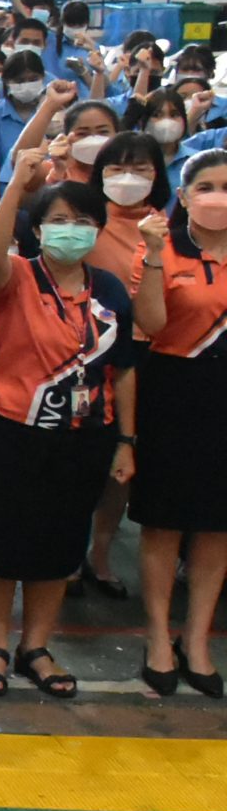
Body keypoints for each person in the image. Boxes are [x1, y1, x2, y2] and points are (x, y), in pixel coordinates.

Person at [0, 145, 136, 701]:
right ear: (36, 230)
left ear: (98, 230)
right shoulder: (16, 276)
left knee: (59, 545)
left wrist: (126, 440)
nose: (71, 230)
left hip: (82, 438)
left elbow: (123, 368)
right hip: (6, 430)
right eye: (58, 219)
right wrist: (18, 184)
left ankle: (35, 645)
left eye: (83, 221)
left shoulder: (109, 289)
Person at [128, 148, 227, 699]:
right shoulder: (161, 251)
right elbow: (151, 322)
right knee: (164, 522)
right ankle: (158, 637)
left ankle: (197, 639)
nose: (218, 197)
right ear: (184, 196)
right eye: (206, 186)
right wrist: (154, 255)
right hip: (172, 392)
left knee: (218, 526)